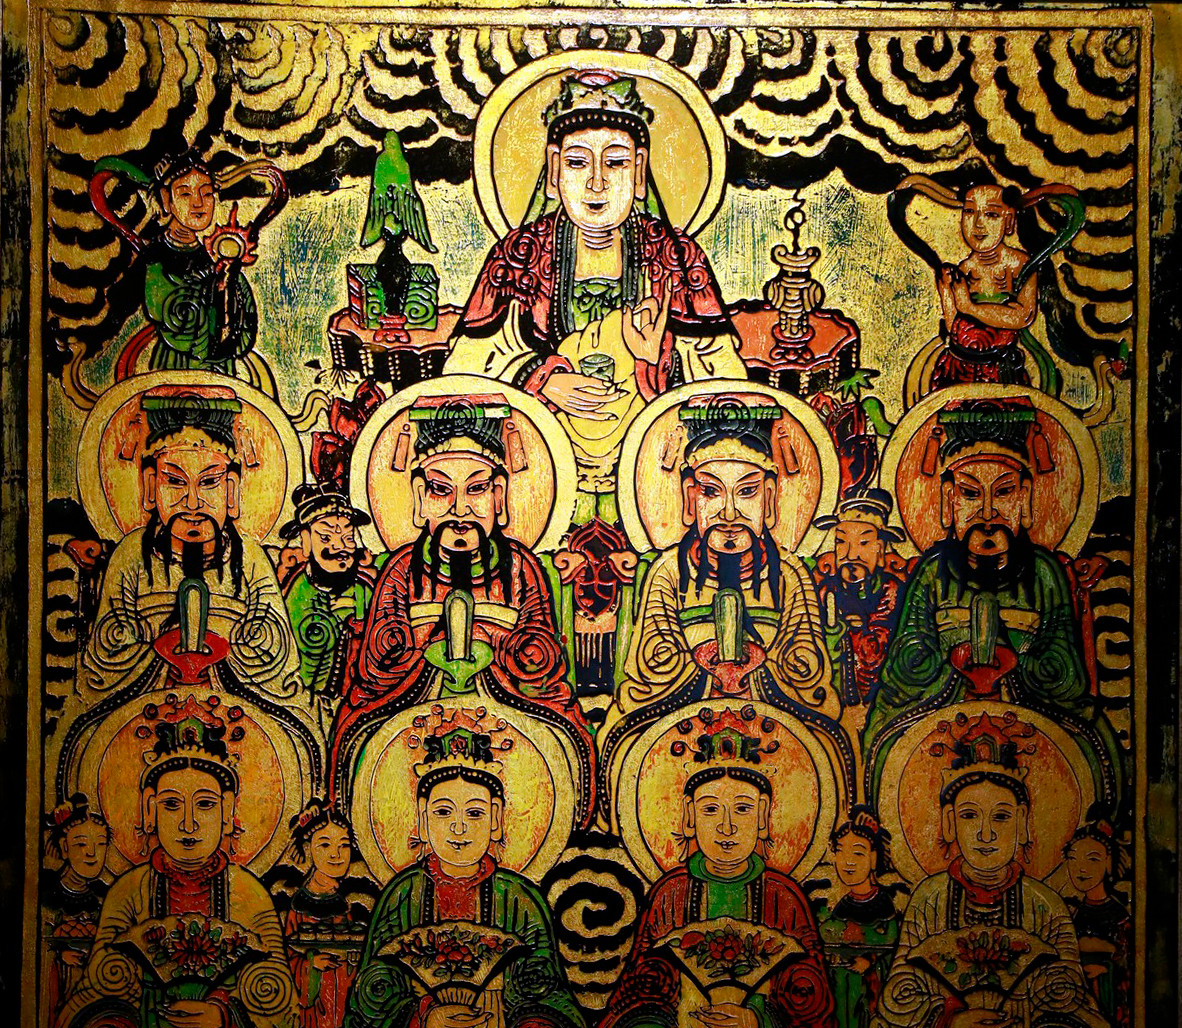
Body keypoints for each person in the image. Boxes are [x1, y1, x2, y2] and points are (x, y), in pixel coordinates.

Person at [43, 694, 324, 1028]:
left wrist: (224, 1018)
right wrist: (118, 1025)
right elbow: (104, 983)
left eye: (206, 805)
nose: (189, 824)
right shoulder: (129, 892)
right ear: (149, 810)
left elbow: (278, 999)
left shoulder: (249, 895)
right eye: (172, 805)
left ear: (231, 813)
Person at [446, 69, 745, 528]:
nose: (597, 183)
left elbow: (724, 378)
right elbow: (462, 372)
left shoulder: (675, 258)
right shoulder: (520, 257)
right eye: (578, 163)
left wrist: (655, 369)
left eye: (617, 163)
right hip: (541, 459)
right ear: (553, 171)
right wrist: (539, 381)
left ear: (640, 171)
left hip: (650, 463)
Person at [854, 713, 1122, 1028]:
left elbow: (1068, 998)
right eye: (969, 817)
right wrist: (948, 1024)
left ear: (1024, 823)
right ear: (947, 823)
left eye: (1001, 818)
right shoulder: (929, 900)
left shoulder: (1045, 906)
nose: (985, 834)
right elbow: (899, 999)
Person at [325, 712, 587, 1028]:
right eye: (444, 813)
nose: (460, 829)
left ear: (498, 820)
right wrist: (423, 1022)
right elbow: (373, 991)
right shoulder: (402, 895)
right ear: (422, 820)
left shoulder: (519, 899)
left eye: (475, 814)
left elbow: (544, 987)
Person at [592, 710, 850, 1028]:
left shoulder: (784, 898)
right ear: (688, 817)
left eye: (743, 810)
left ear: (765, 817)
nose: (727, 827)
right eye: (711, 809)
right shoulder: (670, 895)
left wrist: (761, 1024)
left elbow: (812, 999)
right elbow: (643, 986)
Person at [328, 397, 595, 817]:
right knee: (360, 741)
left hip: (508, 707)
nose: (459, 509)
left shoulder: (521, 567)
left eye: (476, 489)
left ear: (499, 496)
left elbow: (542, 660)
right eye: (440, 490)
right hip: (413, 704)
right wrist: (428, 650)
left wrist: (496, 650)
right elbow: (378, 664)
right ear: (420, 497)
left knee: (563, 742)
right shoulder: (401, 569)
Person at [863, 399, 1123, 811]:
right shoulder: (932, 572)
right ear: (948, 501)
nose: (987, 514)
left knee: (1089, 747)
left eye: (1003, 492)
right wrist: (952, 660)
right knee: (886, 739)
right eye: (970, 494)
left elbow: (1064, 675)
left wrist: (1013, 661)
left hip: (1028, 719)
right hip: (941, 712)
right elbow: (905, 666)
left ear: (1025, 499)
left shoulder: (1044, 573)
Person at [600, 396, 848, 798]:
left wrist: (757, 672)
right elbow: (650, 670)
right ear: (689, 498)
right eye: (711, 493)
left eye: (747, 492)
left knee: (829, 747)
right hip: (683, 724)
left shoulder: (788, 575)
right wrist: (702, 670)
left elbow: (807, 674)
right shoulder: (669, 573)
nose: (729, 512)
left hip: (770, 725)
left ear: (770, 497)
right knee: (623, 744)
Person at [76, 386, 308, 710]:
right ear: (150, 487)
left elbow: (279, 660)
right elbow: (104, 659)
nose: (193, 502)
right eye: (174, 482)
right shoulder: (132, 555)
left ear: (231, 490)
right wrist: (162, 650)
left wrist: (219, 652)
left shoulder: (250, 559)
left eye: (209, 482)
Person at [270, 799, 380, 1028]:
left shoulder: (347, 903)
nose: (336, 855)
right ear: (308, 849)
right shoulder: (299, 905)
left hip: (343, 998)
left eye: (344, 845)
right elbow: (285, 959)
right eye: (325, 845)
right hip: (314, 1004)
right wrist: (311, 964)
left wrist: (355, 960)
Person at [141, 152, 259, 376]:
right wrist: (213, 288)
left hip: (219, 368)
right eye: (185, 193)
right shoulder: (156, 256)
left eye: (206, 193)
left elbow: (243, 316)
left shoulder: (207, 255)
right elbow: (171, 315)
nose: (198, 203)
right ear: (166, 199)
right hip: (179, 366)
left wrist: (230, 281)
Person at [930, 175, 1036, 392]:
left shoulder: (1020, 265)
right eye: (970, 212)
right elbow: (953, 326)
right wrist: (946, 292)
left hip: (999, 369)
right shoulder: (964, 268)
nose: (978, 224)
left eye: (991, 214)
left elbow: (1023, 316)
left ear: (1009, 220)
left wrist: (970, 307)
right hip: (957, 367)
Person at [279, 483, 378, 712]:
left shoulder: (366, 589)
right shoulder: (292, 593)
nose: (339, 547)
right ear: (306, 541)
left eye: (348, 537)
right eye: (325, 537)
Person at [812, 810, 904, 1028]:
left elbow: (896, 954)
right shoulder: (840, 907)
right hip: (841, 997)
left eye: (858, 853)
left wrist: (871, 962)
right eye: (841, 852)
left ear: (874, 858)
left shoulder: (884, 906)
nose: (848, 862)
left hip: (870, 1001)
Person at [807, 489, 908, 713]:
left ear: (880, 551)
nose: (851, 554)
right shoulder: (826, 590)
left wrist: (857, 627)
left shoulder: (891, 591)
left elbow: (876, 654)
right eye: (841, 542)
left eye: (863, 543)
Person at [40, 794, 111, 1028]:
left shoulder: (106, 896)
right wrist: (60, 955)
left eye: (100, 844)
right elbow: (38, 940)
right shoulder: (47, 893)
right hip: (59, 987)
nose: (92, 853)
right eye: (81, 844)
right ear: (64, 847)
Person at [1060, 813, 1131, 1028]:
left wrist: (1105, 970)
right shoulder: (1069, 912)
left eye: (1092, 859)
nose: (1081, 868)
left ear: (1108, 863)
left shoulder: (1119, 914)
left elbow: (1128, 961)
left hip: (1108, 1001)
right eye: (1073, 859)